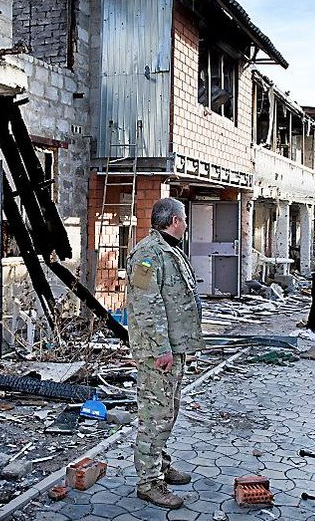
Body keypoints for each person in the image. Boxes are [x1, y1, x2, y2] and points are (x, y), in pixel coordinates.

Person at [125, 197, 203, 510]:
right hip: (159, 352)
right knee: (154, 415)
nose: (185, 224)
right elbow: (146, 304)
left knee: (167, 412)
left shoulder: (169, 250)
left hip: (174, 348)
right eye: (183, 219)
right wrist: (160, 349)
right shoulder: (148, 253)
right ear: (173, 220)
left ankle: (160, 464)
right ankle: (148, 483)